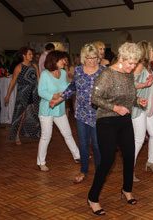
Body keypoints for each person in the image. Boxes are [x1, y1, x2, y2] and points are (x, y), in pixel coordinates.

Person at [87, 42, 146, 216]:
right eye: (130, 63)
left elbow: (129, 95)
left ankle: (127, 190)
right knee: (107, 160)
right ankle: (93, 197)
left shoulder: (128, 74)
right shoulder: (107, 74)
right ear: (121, 59)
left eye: (135, 63)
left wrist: (137, 101)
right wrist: (115, 108)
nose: (132, 67)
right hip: (106, 121)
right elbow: (95, 98)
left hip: (124, 119)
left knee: (129, 156)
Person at [50, 44, 105, 183]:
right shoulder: (79, 70)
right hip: (81, 113)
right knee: (83, 143)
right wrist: (58, 100)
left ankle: (100, 170)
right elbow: (72, 87)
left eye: (94, 58)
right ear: (83, 58)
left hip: (99, 113)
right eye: (89, 58)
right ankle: (84, 170)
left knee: (98, 144)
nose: (92, 61)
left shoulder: (103, 71)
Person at [37, 50, 80, 172]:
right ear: (54, 60)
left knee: (67, 133)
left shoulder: (62, 72)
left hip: (60, 109)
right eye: (62, 59)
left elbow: (67, 89)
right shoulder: (45, 74)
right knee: (46, 136)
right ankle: (41, 162)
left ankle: (77, 156)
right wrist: (53, 96)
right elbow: (41, 91)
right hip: (46, 110)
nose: (64, 62)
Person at [132, 41, 153, 182]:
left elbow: (150, 87)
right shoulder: (138, 66)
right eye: (151, 50)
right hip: (138, 107)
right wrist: (144, 85)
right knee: (138, 140)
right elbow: (130, 86)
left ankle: (151, 162)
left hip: (147, 106)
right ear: (145, 52)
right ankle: (129, 169)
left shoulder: (148, 67)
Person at [5, 46, 41, 144]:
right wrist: (7, 95)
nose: (31, 56)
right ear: (24, 55)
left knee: (35, 114)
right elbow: (12, 82)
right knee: (20, 115)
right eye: (29, 54)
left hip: (34, 93)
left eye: (32, 54)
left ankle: (36, 133)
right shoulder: (19, 67)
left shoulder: (34, 66)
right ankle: (16, 135)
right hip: (23, 94)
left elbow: (39, 80)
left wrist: (41, 93)